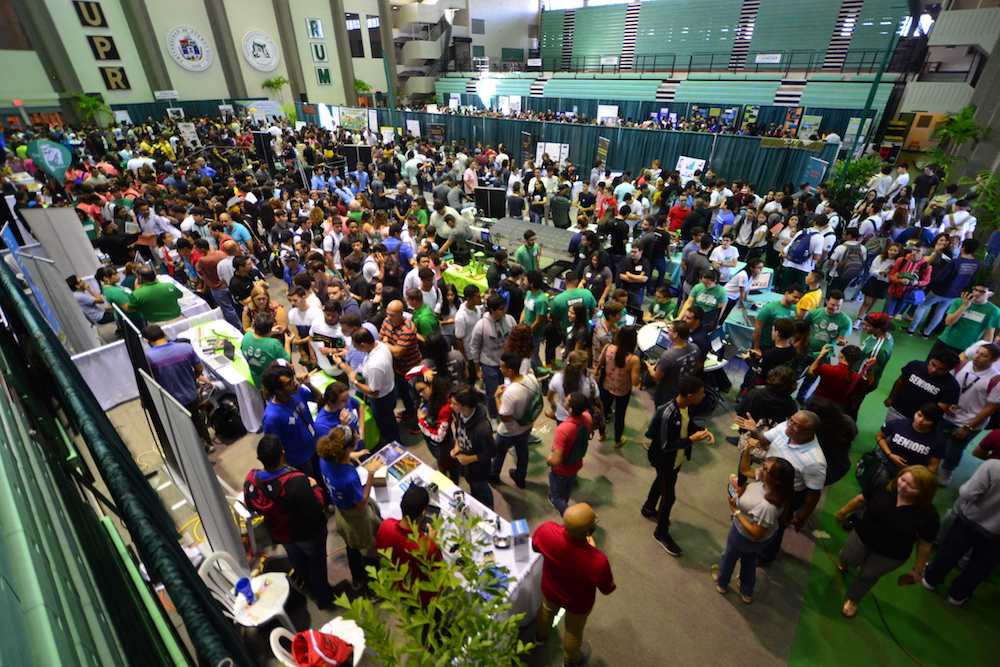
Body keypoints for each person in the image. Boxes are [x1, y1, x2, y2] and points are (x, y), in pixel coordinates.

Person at [834, 466, 939, 618]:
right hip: (863, 537)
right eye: (902, 480)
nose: (903, 486)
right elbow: (861, 499)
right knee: (847, 558)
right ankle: (845, 561)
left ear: (924, 491)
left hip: (891, 554)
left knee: (867, 576)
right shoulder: (883, 486)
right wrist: (843, 512)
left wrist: (917, 570)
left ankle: (853, 598)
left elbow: (924, 544)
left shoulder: (929, 515)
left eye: (911, 486)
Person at [244, 435, 334, 609]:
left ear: (258, 458)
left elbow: (251, 506)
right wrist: (314, 486)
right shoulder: (297, 481)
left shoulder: (251, 480)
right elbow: (316, 509)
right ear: (282, 454)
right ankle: (323, 598)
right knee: (316, 566)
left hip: (280, 532)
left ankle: (309, 588)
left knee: (298, 561)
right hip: (308, 534)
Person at [733, 410, 826, 564]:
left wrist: (802, 518)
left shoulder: (815, 461)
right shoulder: (785, 428)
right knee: (759, 519)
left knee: (776, 527)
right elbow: (764, 441)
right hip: (766, 482)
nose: (789, 425)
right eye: (791, 420)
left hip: (786, 497)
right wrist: (755, 432)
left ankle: (765, 557)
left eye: (796, 425)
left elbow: (814, 494)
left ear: (810, 433)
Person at [532, 503, 615, 667]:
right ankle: (570, 662)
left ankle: (539, 638)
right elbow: (607, 589)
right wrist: (591, 548)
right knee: (573, 632)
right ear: (587, 532)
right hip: (578, 603)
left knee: (545, 613)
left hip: (550, 590)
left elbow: (535, 547)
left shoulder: (547, 530)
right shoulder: (598, 561)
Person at [644, 375, 715, 556]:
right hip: (664, 460)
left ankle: (648, 508)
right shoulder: (667, 414)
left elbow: (688, 424)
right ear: (689, 395)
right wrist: (691, 439)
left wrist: (702, 431)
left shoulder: (685, 408)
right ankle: (660, 533)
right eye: (700, 394)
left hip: (676, 459)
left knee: (661, 483)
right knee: (669, 497)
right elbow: (666, 445)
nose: (703, 396)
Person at [712, 457, 795, 603]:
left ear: (777, 480)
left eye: (766, 469)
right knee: (749, 561)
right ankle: (747, 590)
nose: (760, 470)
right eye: (763, 465)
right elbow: (745, 470)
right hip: (763, 540)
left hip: (743, 537)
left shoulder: (766, 506)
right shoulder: (779, 492)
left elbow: (756, 533)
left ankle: (722, 582)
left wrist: (735, 511)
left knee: (729, 557)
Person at [922, 459, 1000, 605]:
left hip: (970, 521)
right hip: (997, 535)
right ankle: (958, 596)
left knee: (951, 550)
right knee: (981, 565)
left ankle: (931, 579)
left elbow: (968, 493)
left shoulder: (993, 466)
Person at [317, 426, 379, 592]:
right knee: (369, 551)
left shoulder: (324, 459)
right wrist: (371, 473)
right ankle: (375, 589)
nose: (359, 436)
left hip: (341, 512)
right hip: (356, 518)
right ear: (348, 448)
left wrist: (351, 456)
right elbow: (362, 502)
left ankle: (357, 578)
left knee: (351, 547)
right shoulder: (348, 476)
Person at [141, 325, 215, 453]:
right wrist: (195, 379)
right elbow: (199, 368)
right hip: (191, 395)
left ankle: (190, 450)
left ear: (146, 340)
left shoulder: (148, 359)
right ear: (164, 333)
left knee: (179, 425)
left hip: (170, 400)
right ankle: (207, 443)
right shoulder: (185, 348)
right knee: (197, 418)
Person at [938, 342, 1000, 487]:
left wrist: (968, 427)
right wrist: (947, 404)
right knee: (937, 438)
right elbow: (949, 385)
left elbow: (990, 408)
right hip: (948, 415)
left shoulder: (995, 380)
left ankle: (947, 470)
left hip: (970, 421)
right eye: (977, 352)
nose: (977, 356)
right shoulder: (962, 365)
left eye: (983, 355)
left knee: (955, 448)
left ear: (993, 360)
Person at [374, 485, 443, 606]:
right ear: (423, 513)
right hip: (423, 596)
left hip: (398, 584)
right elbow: (441, 576)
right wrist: (432, 540)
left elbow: (379, 550)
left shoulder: (386, 526)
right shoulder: (427, 547)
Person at [337, 328, 400, 446]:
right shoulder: (381, 346)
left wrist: (355, 382)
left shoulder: (374, 365)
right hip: (390, 388)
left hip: (382, 399)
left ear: (363, 345)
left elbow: (374, 391)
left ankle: (394, 444)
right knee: (390, 421)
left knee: (387, 425)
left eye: (355, 346)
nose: (354, 349)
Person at [261, 363, 322, 479]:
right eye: (289, 383)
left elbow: (320, 399)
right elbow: (276, 449)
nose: (295, 383)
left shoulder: (297, 392)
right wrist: (289, 473)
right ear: (278, 390)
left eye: (293, 379)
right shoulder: (272, 418)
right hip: (300, 461)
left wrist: (308, 384)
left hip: (315, 447)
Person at [490, 352, 541, 489]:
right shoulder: (531, 379)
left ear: (510, 370)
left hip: (509, 432)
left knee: (498, 454)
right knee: (523, 452)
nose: (500, 369)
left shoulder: (510, 392)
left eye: (502, 367)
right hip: (527, 427)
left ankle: (494, 476)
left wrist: (496, 397)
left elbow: (505, 418)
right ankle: (520, 477)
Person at [869, 403, 946, 491]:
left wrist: (925, 481)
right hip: (885, 463)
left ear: (934, 422)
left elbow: (933, 465)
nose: (920, 420)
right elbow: (880, 437)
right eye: (919, 415)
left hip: (911, 474)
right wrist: (890, 454)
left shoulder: (939, 441)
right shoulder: (897, 424)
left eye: (927, 419)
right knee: (874, 488)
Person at [469, 293, 516, 420]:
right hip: (490, 365)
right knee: (492, 394)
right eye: (501, 309)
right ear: (492, 310)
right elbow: (475, 348)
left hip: (507, 363)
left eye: (504, 307)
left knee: (508, 390)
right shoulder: (481, 326)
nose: (504, 311)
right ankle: (494, 416)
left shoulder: (510, 320)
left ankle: (506, 411)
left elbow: (514, 339)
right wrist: (478, 369)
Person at [450, 385, 497, 509]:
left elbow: (491, 452)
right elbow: (458, 431)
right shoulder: (460, 414)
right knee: (473, 488)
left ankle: (489, 510)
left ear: (465, 406)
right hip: (467, 467)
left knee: (482, 489)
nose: (451, 406)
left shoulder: (483, 430)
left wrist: (469, 459)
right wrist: (457, 445)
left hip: (479, 469)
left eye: (454, 404)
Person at [883, 351, 961, 423]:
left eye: (941, 369)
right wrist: (891, 398)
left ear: (950, 369)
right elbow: (901, 380)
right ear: (931, 359)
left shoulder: (952, 387)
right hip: (896, 410)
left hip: (919, 420)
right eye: (933, 364)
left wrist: (922, 421)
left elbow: (939, 410)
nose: (934, 370)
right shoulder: (915, 366)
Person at [547, 392, 593, 515]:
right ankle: (565, 502)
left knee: (557, 498)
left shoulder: (563, 429)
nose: (564, 401)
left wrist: (549, 459)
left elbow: (556, 461)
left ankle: (570, 517)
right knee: (567, 487)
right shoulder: (587, 417)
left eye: (566, 401)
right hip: (576, 464)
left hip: (562, 470)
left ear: (570, 409)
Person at [595, 326, 641, 446]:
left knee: (603, 411)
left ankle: (602, 434)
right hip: (623, 391)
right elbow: (635, 382)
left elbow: (600, 363)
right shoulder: (633, 359)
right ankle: (617, 440)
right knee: (620, 415)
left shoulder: (608, 348)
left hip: (606, 385)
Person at [379, 299, 423, 422]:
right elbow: (381, 336)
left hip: (411, 369)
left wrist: (386, 343)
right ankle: (409, 411)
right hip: (397, 369)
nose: (388, 317)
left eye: (392, 315)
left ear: (401, 314)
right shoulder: (387, 321)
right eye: (387, 314)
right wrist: (387, 342)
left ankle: (417, 422)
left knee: (415, 396)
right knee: (403, 394)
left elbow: (398, 353)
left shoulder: (408, 328)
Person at [932, 282, 1000, 358]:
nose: (977, 293)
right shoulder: (959, 301)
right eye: (975, 290)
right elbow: (948, 322)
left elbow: (989, 334)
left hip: (966, 348)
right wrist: (964, 306)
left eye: (982, 292)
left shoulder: (994, 311)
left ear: (990, 294)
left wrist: (986, 353)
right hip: (945, 341)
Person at [413, 373, 458, 480]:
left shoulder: (445, 409)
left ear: (432, 386)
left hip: (442, 446)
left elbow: (439, 437)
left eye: (422, 390)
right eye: (418, 391)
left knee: (450, 467)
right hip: (431, 441)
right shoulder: (430, 399)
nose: (421, 394)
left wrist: (422, 421)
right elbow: (409, 375)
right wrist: (424, 370)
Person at [647, 320, 700, 407]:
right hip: (683, 391)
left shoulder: (668, 356)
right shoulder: (695, 348)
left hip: (666, 394)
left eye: (670, 330)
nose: (668, 331)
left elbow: (656, 378)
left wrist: (649, 367)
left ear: (675, 335)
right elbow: (696, 367)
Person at [314, 381, 366, 453]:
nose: (347, 402)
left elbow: (359, 405)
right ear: (331, 402)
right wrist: (344, 427)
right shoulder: (321, 424)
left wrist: (361, 429)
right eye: (343, 401)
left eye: (348, 398)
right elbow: (332, 450)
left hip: (358, 443)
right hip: (346, 454)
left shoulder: (345, 400)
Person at [752, 284, 803, 353]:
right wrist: (756, 347)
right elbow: (758, 328)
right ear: (787, 293)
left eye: (799, 298)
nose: (797, 300)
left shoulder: (794, 308)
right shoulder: (769, 308)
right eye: (795, 297)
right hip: (765, 344)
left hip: (780, 346)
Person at [618, 241, 650, 308]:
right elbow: (621, 276)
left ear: (640, 252)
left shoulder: (645, 262)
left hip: (637, 291)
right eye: (631, 251)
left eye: (635, 252)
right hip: (625, 289)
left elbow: (644, 279)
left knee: (635, 309)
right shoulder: (627, 260)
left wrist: (629, 275)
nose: (632, 254)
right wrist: (638, 278)